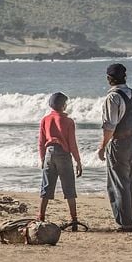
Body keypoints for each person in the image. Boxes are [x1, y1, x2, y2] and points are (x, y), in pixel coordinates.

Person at [96, 63, 132, 230]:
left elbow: (110, 126)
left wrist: (102, 146)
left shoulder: (112, 98)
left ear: (108, 79)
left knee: (119, 183)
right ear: (125, 77)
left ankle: (124, 223)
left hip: (120, 142)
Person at [37, 91, 83, 224]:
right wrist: (78, 161)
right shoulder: (68, 121)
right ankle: (74, 219)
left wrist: (42, 159)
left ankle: (41, 217)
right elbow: (72, 144)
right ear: (63, 105)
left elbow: (41, 142)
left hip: (49, 153)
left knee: (46, 187)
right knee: (69, 187)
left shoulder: (45, 120)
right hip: (63, 153)